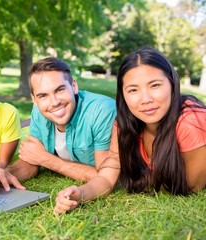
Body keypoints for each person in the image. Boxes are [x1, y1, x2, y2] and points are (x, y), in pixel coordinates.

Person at [55, 47, 206, 213]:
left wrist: (142, 178)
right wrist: (81, 193)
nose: (146, 99)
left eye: (155, 85)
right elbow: (107, 176)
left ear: (172, 84)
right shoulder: (125, 124)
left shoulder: (191, 121)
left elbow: (191, 186)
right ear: (123, 95)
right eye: (133, 90)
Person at [0, 57, 118, 213]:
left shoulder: (101, 111)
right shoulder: (40, 112)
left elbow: (104, 176)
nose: (53, 102)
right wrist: (6, 174)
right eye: (43, 96)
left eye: (60, 90)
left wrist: (46, 159)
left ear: (74, 86)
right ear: (34, 99)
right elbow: (31, 160)